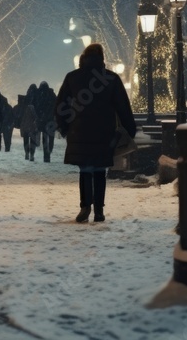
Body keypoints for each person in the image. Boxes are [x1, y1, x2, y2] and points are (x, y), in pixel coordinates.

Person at [55, 43, 136, 223]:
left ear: (83, 58)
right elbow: (123, 107)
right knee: (100, 170)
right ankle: (99, 209)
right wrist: (130, 129)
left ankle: (85, 206)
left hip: (79, 132)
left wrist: (64, 127)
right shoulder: (111, 79)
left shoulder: (72, 78)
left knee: (85, 170)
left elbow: (61, 106)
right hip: (104, 132)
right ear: (102, 58)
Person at [34, 81, 58, 162]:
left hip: (42, 120)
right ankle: (50, 149)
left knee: (44, 138)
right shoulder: (52, 94)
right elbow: (56, 105)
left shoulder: (38, 94)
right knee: (51, 136)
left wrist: (38, 116)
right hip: (51, 119)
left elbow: (35, 106)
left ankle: (46, 156)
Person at [19, 86, 39, 161]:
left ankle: (26, 153)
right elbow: (37, 115)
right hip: (33, 126)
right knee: (33, 141)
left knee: (26, 141)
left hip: (25, 125)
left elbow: (20, 114)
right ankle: (32, 155)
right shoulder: (37, 99)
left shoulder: (24, 100)